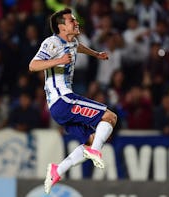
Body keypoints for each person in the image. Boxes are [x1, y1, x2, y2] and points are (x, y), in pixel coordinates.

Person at [28, 8, 117, 194]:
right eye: (71, 21)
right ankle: (96, 151)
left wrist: (96, 54)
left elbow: (78, 47)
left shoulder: (73, 41)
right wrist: (58, 60)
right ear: (61, 27)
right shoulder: (52, 43)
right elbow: (33, 65)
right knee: (109, 116)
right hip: (63, 100)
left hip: (59, 108)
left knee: (91, 140)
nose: (76, 23)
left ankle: (57, 170)